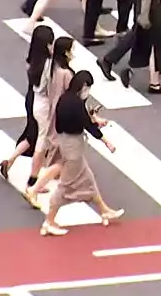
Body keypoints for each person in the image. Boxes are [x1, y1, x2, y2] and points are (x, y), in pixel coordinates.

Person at [42, 71, 124, 236]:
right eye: (88, 88)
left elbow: (72, 122)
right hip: (73, 149)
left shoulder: (65, 99)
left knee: (88, 179)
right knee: (65, 187)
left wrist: (92, 121)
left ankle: (104, 210)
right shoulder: (76, 104)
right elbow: (87, 125)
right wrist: (107, 142)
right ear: (84, 87)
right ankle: (49, 221)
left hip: (68, 144)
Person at [24, 36, 76, 204]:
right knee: (49, 148)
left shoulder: (44, 65)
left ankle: (38, 182)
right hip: (52, 111)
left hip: (45, 107)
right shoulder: (59, 70)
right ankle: (33, 184)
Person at [0, 25, 54, 183]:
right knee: (39, 138)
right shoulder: (47, 64)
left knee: (31, 134)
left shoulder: (32, 61)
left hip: (30, 98)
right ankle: (35, 176)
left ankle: (10, 161)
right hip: (41, 101)